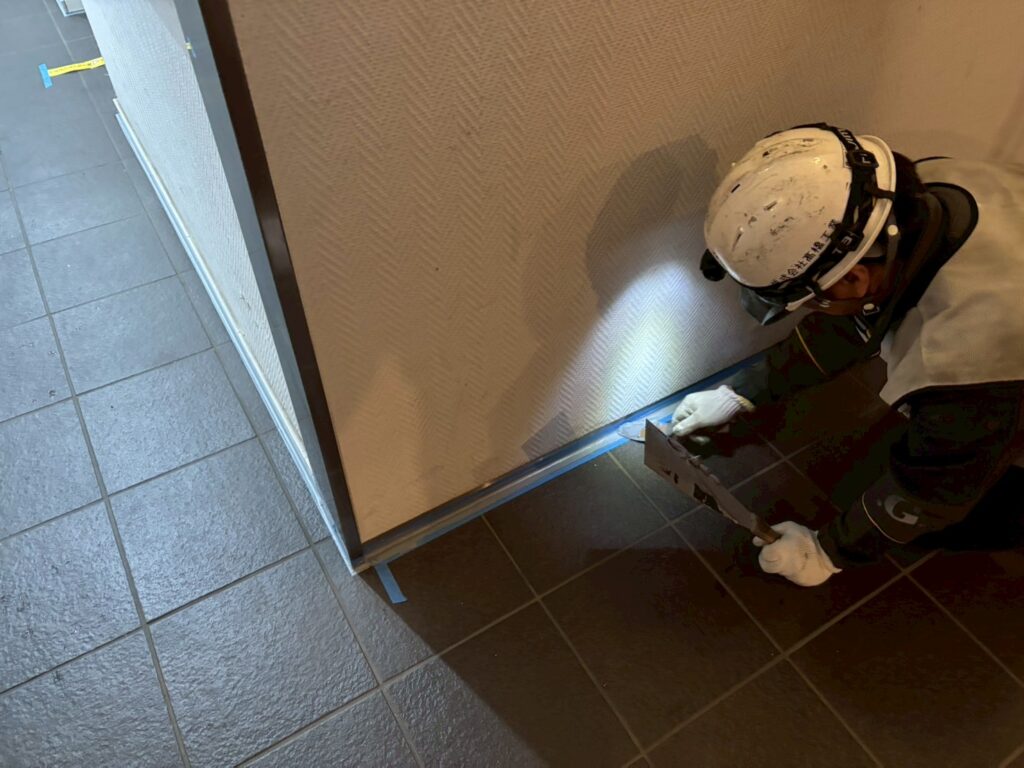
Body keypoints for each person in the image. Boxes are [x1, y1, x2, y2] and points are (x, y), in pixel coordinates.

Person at [671, 123, 1024, 587]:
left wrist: (830, 551)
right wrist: (745, 390)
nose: (814, 310)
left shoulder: (966, 363)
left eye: (811, 300)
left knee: (972, 508)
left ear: (856, 279)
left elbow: (930, 490)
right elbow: (854, 320)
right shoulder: (932, 189)